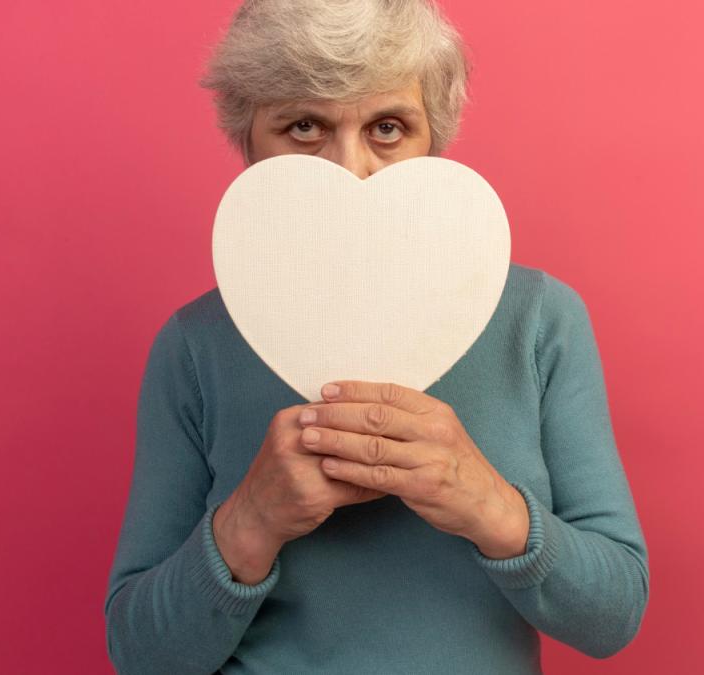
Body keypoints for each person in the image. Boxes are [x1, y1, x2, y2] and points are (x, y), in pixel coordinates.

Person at [103, 1, 650, 673]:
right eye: (304, 125)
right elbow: (138, 654)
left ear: (434, 144)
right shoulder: (194, 346)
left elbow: (615, 614)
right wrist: (251, 520)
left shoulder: (540, 320)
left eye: (388, 127)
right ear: (247, 142)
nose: (349, 168)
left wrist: (486, 502)